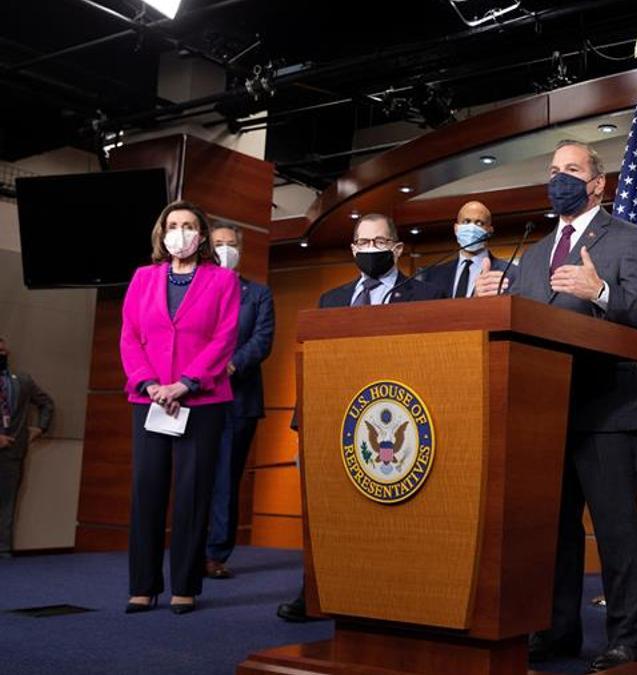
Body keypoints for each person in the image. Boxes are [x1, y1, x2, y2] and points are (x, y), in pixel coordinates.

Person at [475, 140, 637, 673]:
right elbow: (533, 326)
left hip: (605, 410)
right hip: (544, 413)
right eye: (553, 170)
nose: (560, 179)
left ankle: (626, 639)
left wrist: (601, 289)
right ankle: (556, 631)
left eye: (572, 170)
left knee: (617, 531)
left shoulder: (627, 237)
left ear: (597, 184)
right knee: (553, 530)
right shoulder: (534, 253)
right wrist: (500, 302)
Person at [276, 213, 445, 622]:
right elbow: (313, 364)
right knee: (330, 512)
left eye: (380, 242)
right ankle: (316, 590)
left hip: (399, 423)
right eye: (363, 243)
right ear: (353, 249)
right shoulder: (331, 300)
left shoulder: (427, 296)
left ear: (398, 248)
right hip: (337, 423)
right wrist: (304, 427)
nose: (371, 250)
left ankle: (391, 593)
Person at [120, 201, 240, 614]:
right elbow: (130, 338)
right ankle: (143, 584)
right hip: (149, 398)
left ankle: (185, 586)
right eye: (173, 225)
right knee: (148, 491)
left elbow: (223, 339)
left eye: (189, 226)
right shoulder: (142, 278)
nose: (181, 232)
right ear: (162, 233)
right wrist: (150, 383)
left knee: (191, 495)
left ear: (202, 235)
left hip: (201, 399)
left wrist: (185, 383)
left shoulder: (223, 281)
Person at [204, 223, 276, 579]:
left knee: (225, 478)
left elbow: (262, 341)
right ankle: (189, 547)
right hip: (196, 396)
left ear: (240, 250)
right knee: (193, 476)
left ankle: (216, 553)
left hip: (238, 397)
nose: (224, 249)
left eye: (230, 244)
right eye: (218, 244)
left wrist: (229, 365)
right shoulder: (193, 289)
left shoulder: (258, 293)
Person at [0, 337, 55, 558]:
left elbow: (47, 404)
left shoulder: (22, 380)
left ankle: (3, 552)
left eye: (3, 348)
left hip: (12, 453)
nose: (1, 352)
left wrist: (40, 429)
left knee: (6, 505)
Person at [421, 200, 509, 298]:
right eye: (466, 222)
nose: (472, 228)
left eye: (479, 223)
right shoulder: (433, 275)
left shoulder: (510, 273)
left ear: (490, 231)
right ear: (456, 228)